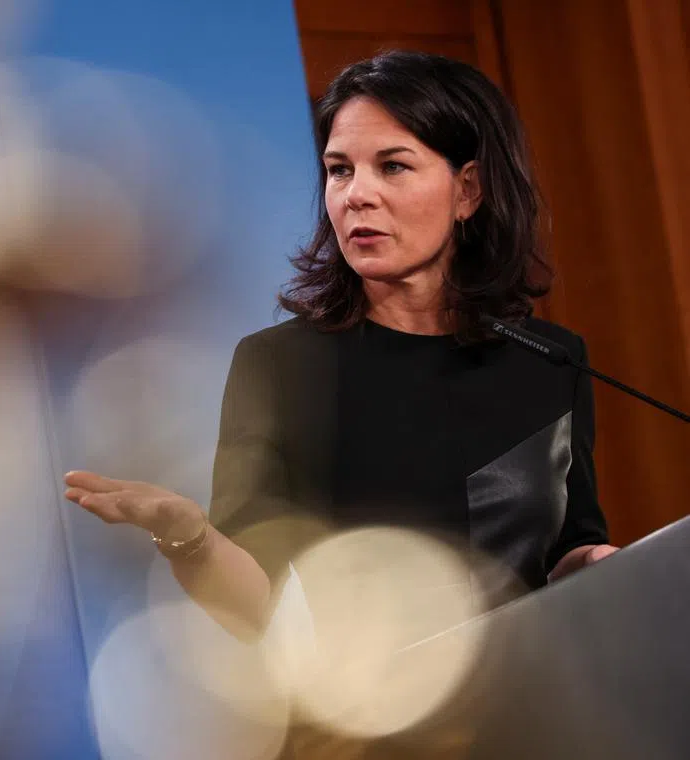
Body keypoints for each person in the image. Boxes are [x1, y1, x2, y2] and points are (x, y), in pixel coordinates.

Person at [63, 50, 618, 642]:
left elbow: (569, 548)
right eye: (339, 170)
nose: (356, 195)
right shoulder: (279, 366)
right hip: (378, 716)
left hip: (537, 696)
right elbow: (256, 602)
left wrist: (597, 564)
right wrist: (188, 537)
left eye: (393, 166)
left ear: (468, 189)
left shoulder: (550, 360)